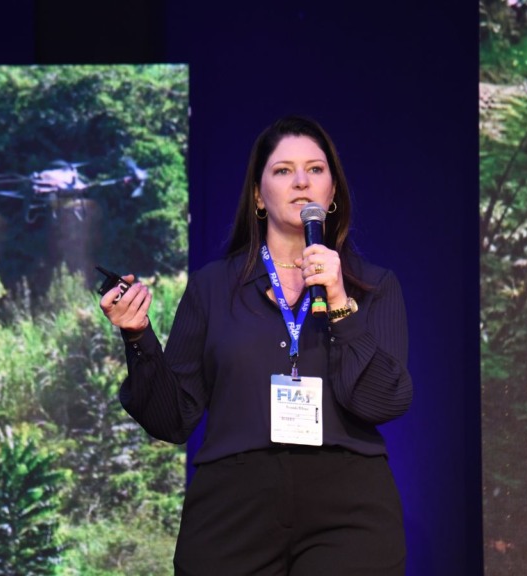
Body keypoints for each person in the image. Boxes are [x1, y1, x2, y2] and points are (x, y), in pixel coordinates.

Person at [100, 115, 413, 575]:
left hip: (348, 506)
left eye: (316, 170)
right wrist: (138, 336)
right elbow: (172, 418)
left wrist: (341, 301)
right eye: (283, 170)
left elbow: (381, 400)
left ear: (332, 194)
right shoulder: (212, 288)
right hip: (233, 505)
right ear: (257, 196)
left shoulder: (373, 286)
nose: (302, 182)